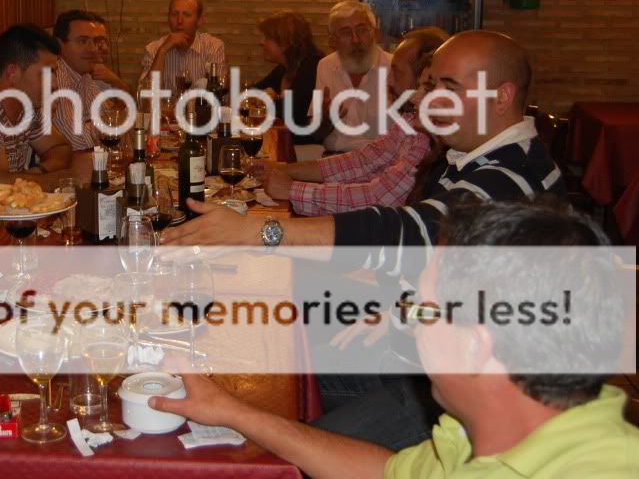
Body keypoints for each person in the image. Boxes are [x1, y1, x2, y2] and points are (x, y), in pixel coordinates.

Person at [152, 198, 636, 478]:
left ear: (477, 344)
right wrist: (232, 411)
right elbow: (386, 472)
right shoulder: (479, 431)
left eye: (421, 310)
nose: (409, 322)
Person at [163, 31, 564, 274]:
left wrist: (256, 232)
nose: (428, 101)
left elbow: (407, 231)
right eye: (429, 86)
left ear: (502, 96)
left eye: (448, 88)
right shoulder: (472, 156)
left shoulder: (509, 178)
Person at [264, 27, 447, 214]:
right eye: (345, 32)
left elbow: (380, 198)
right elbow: (364, 160)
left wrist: (292, 189)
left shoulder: (426, 136)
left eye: (396, 72)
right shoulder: (409, 120)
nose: (389, 81)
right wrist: (284, 169)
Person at [0, 24, 83, 188]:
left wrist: (38, 173)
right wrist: (59, 179)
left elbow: (61, 148)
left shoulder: (26, 107)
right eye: (46, 73)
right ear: (12, 73)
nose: (54, 84)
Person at [311, 1, 393, 153]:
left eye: (362, 30)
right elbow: (316, 134)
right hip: (334, 158)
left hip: (383, 160)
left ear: (375, 33)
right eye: (346, 33)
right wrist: (325, 120)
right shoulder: (325, 66)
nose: (356, 40)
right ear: (333, 41)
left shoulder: (393, 67)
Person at [251, 10, 323, 147]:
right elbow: (251, 93)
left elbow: (293, 115)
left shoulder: (312, 67)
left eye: (267, 38)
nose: (261, 42)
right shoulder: (284, 68)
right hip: (285, 142)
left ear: (285, 42)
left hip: (306, 148)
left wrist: (273, 98)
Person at [139, 0, 225, 90]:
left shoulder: (213, 47)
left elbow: (218, 92)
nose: (179, 21)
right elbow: (146, 96)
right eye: (174, 14)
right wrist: (162, 51)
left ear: (199, 20)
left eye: (187, 15)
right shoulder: (154, 48)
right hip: (167, 105)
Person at [51, 9, 107, 150]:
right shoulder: (57, 80)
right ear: (59, 45)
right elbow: (76, 141)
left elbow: (108, 114)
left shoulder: (83, 76)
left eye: (95, 42)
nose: (93, 49)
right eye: (82, 41)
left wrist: (91, 124)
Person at [92, 17, 132, 94]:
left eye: (104, 41)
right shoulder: (64, 78)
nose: (105, 48)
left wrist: (116, 81)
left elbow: (130, 101)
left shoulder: (97, 73)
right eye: (97, 40)